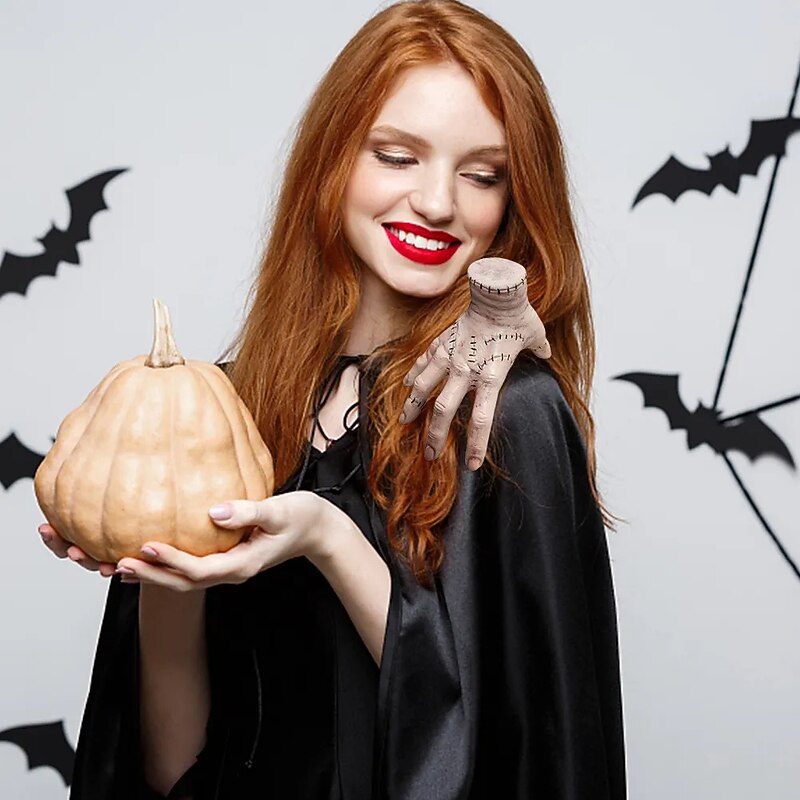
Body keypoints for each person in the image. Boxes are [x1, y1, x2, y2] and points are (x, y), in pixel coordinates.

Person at [38, 1, 626, 798]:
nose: (438, 202)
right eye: (397, 156)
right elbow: (177, 772)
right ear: (333, 158)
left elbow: (507, 756)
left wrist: (326, 536)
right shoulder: (235, 403)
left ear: (513, 201)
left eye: (482, 174)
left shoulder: (504, 407)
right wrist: (164, 572)